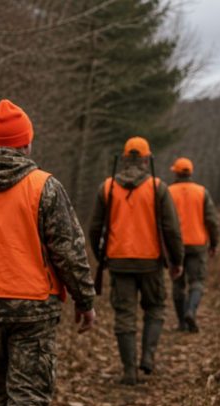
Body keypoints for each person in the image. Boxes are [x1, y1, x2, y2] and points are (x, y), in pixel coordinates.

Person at [0, 99, 96, 406]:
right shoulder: (44, 185)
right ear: (27, 142)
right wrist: (85, 300)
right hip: (33, 309)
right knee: (29, 397)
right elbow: (69, 250)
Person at [89, 137, 184, 385]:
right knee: (155, 308)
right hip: (151, 263)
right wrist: (176, 261)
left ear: (123, 158)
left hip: (118, 263)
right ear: (145, 159)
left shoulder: (107, 187)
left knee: (124, 315)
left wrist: (102, 258)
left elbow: (94, 228)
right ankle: (148, 358)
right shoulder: (158, 187)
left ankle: (129, 370)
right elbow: (171, 230)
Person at [168, 157, 220, 333]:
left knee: (178, 284)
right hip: (197, 245)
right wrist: (214, 243)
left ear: (175, 172)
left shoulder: (167, 192)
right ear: (190, 173)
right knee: (197, 281)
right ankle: (191, 311)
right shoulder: (201, 192)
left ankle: (182, 322)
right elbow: (212, 221)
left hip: (175, 245)